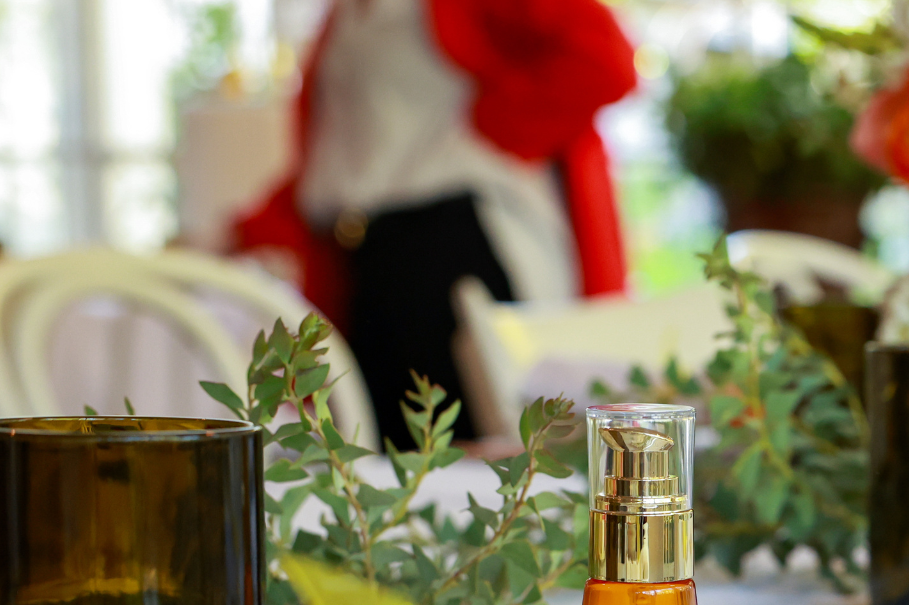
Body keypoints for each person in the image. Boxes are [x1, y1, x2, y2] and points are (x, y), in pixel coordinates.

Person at [235, 0, 638, 448]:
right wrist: (242, 232)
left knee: (476, 461)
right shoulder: (344, 15)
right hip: (367, 264)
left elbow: (604, 59)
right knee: (386, 463)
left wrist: (490, 131)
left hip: (452, 245)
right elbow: (346, 159)